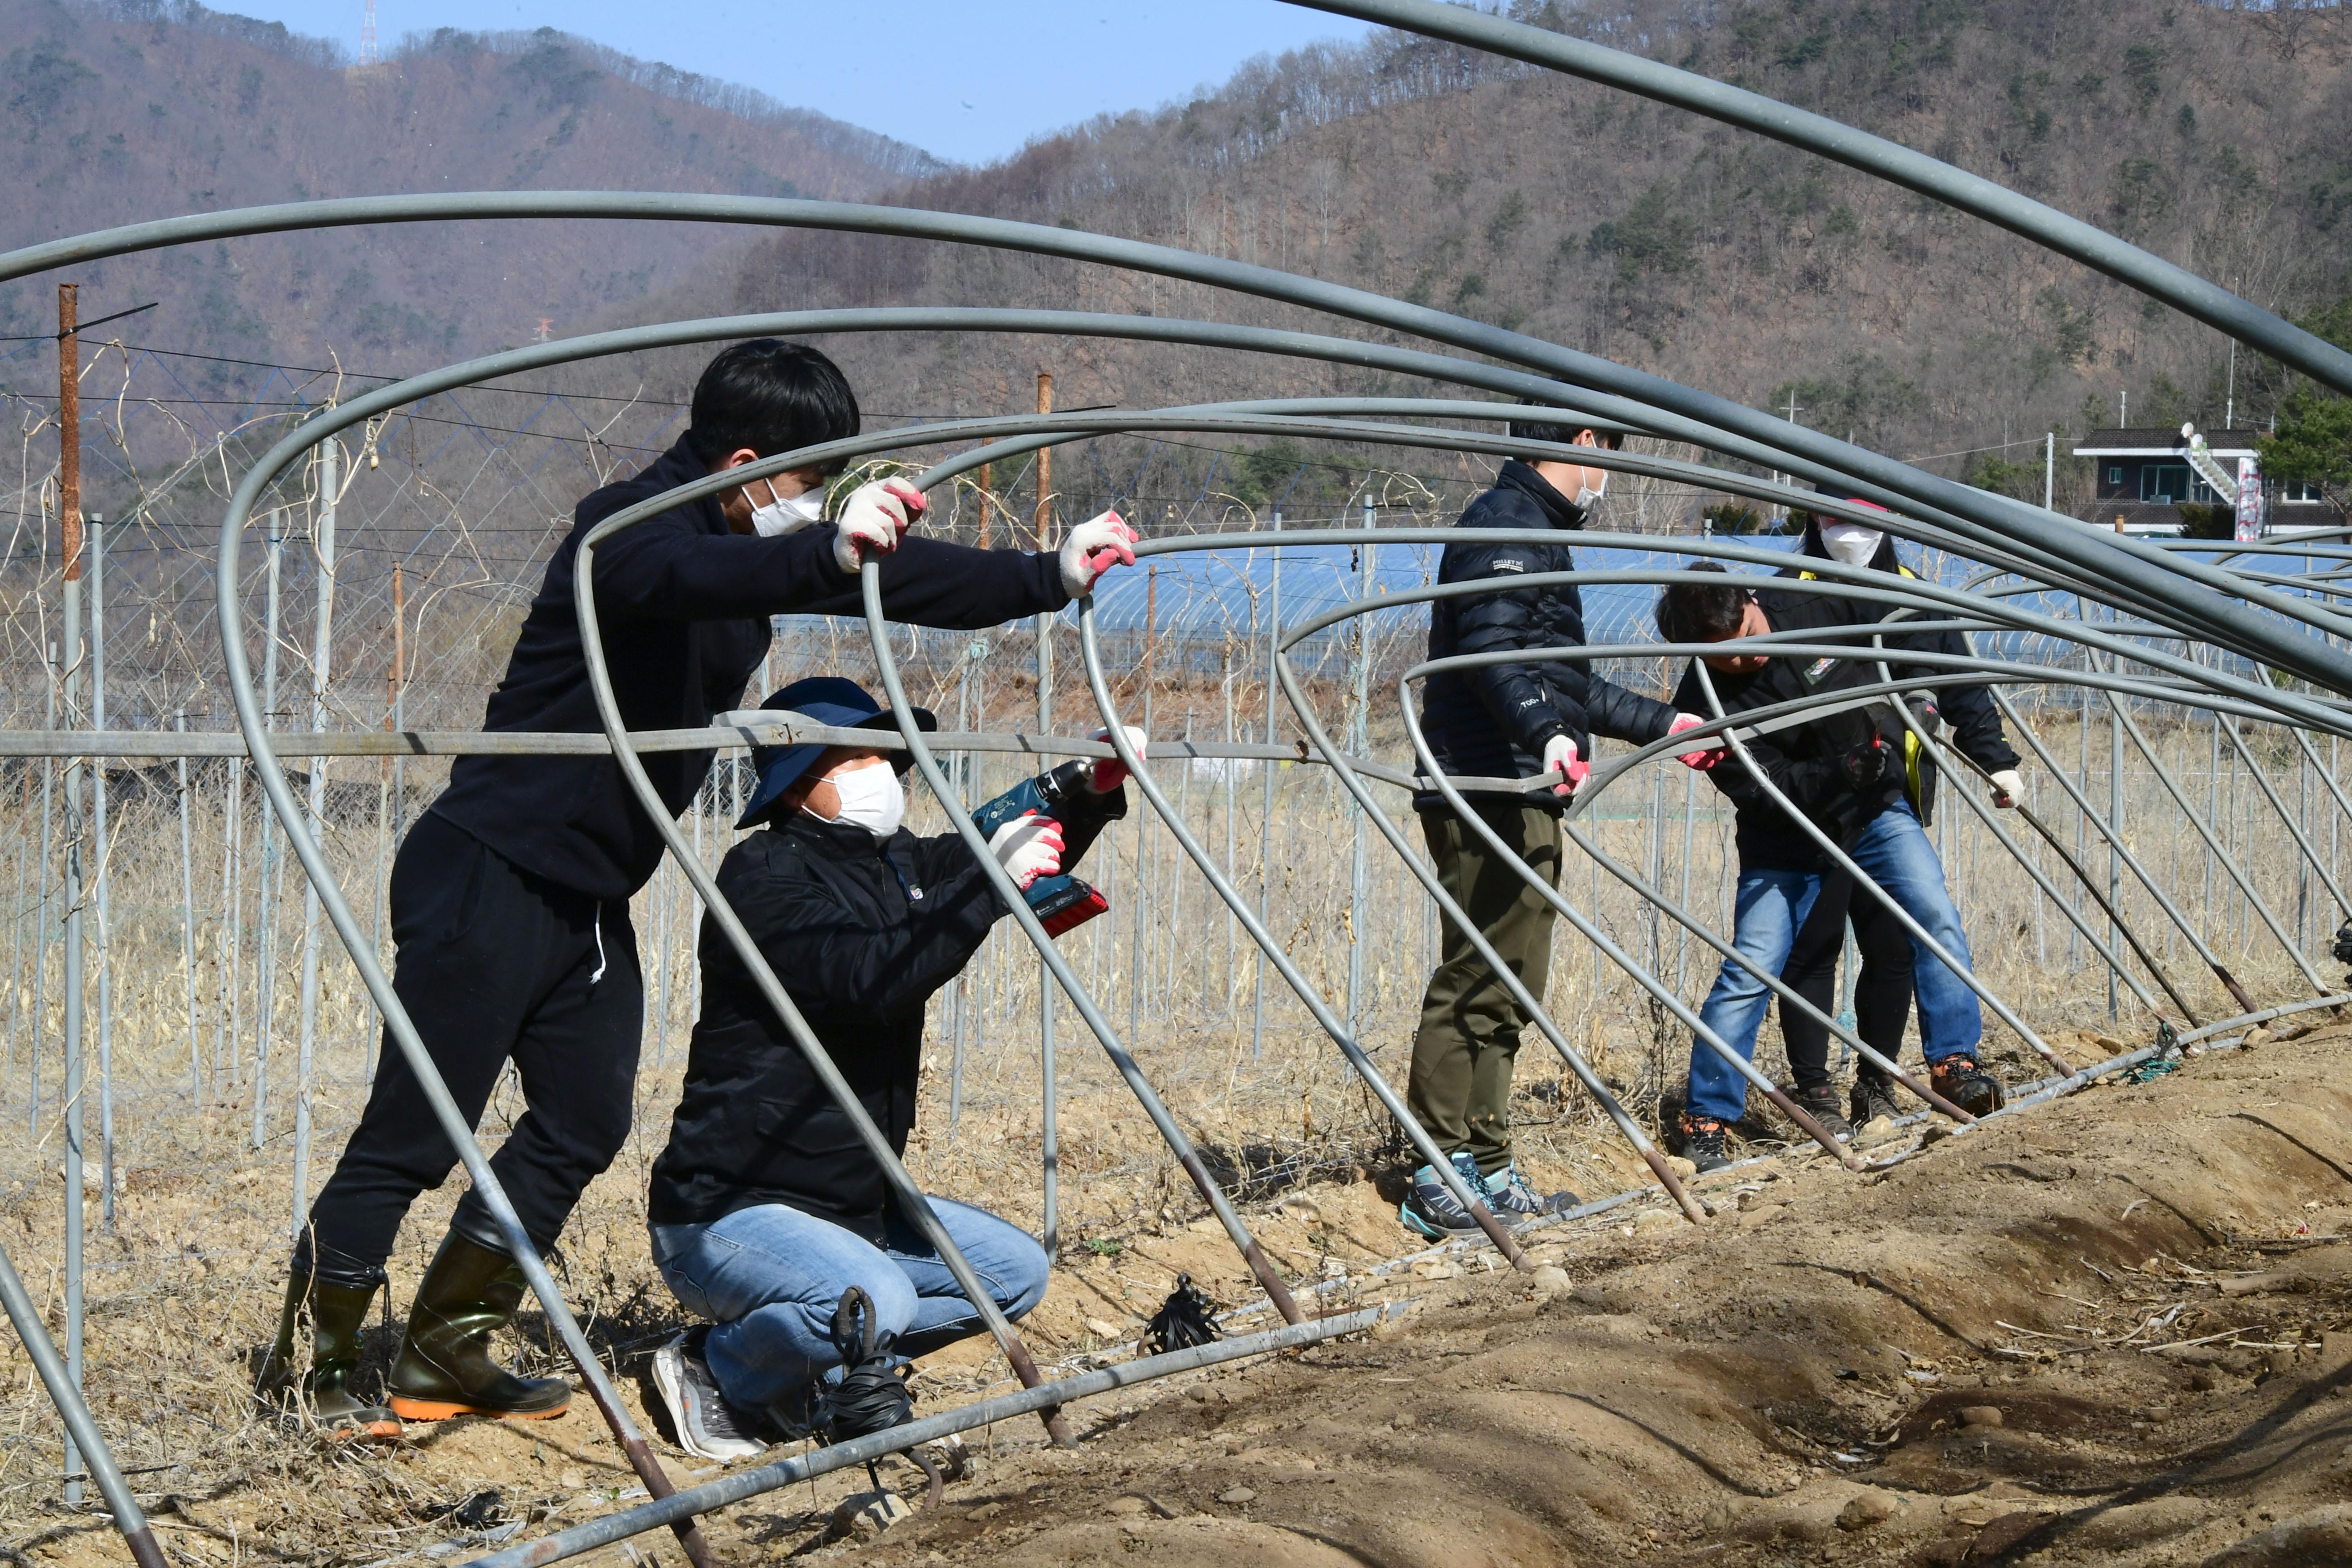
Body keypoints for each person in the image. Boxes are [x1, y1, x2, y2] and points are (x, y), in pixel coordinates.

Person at [263, 339, 1138, 1437]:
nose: (815, 507)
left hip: (588, 897)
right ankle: (319, 1361)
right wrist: (826, 548)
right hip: (488, 868)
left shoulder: (767, 547)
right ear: (743, 462)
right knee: (416, 1130)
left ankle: (447, 1344)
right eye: (805, 483)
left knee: (582, 1122)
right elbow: (702, 576)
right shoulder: (624, 533)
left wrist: (1046, 577)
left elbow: (892, 576)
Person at [642, 678, 1131, 1460]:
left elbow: (986, 849)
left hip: (848, 1202)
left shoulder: (889, 862)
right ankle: (718, 1365)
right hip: (729, 1212)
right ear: (801, 779)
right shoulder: (760, 877)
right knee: (885, 1300)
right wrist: (983, 891)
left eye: (885, 754)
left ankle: (823, 1358)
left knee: (1012, 1275)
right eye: (860, 754)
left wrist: (1089, 793)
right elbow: (869, 979)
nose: (885, 772)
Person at [1400, 409, 1712, 1238]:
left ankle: (1488, 1164)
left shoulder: (1536, 529)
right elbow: (1492, 652)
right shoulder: (1505, 523)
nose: (1610, 471)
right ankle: (1440, 1171)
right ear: (1583, 445)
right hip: (1487, 785)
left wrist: (1664, 727)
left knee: (1511, 982)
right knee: (1476, 974)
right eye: (1610, 450)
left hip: (1522, 786)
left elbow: (1565, 685)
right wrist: (1544, 732)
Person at [1656, 555, 2019, 1175]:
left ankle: (1955, 1063)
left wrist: (1990, 750)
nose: (1743, 659)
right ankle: (1706, 1117)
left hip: (1876, 809)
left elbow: (1931, 638)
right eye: (1722, 655)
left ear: (1752, 601)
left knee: (1932, 912)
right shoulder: (1701, 698)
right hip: (1784, 837)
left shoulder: (1818, 608)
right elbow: (1756, 783)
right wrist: (1834, 773)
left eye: (1747, 637)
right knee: (1754, 964)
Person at [1769, 495, 2023, 1138]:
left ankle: (1943, 1066)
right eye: (1834, 519)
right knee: (1813, 945)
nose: (1848, 534)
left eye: (1862, 519)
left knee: (1915, 927)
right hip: (1810, 806)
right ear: (1812, 522)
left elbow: (1963, 687)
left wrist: (1996, 758)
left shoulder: (1913, 599)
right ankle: (1815, 1090)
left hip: (1887, 801)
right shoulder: (1782, 598)